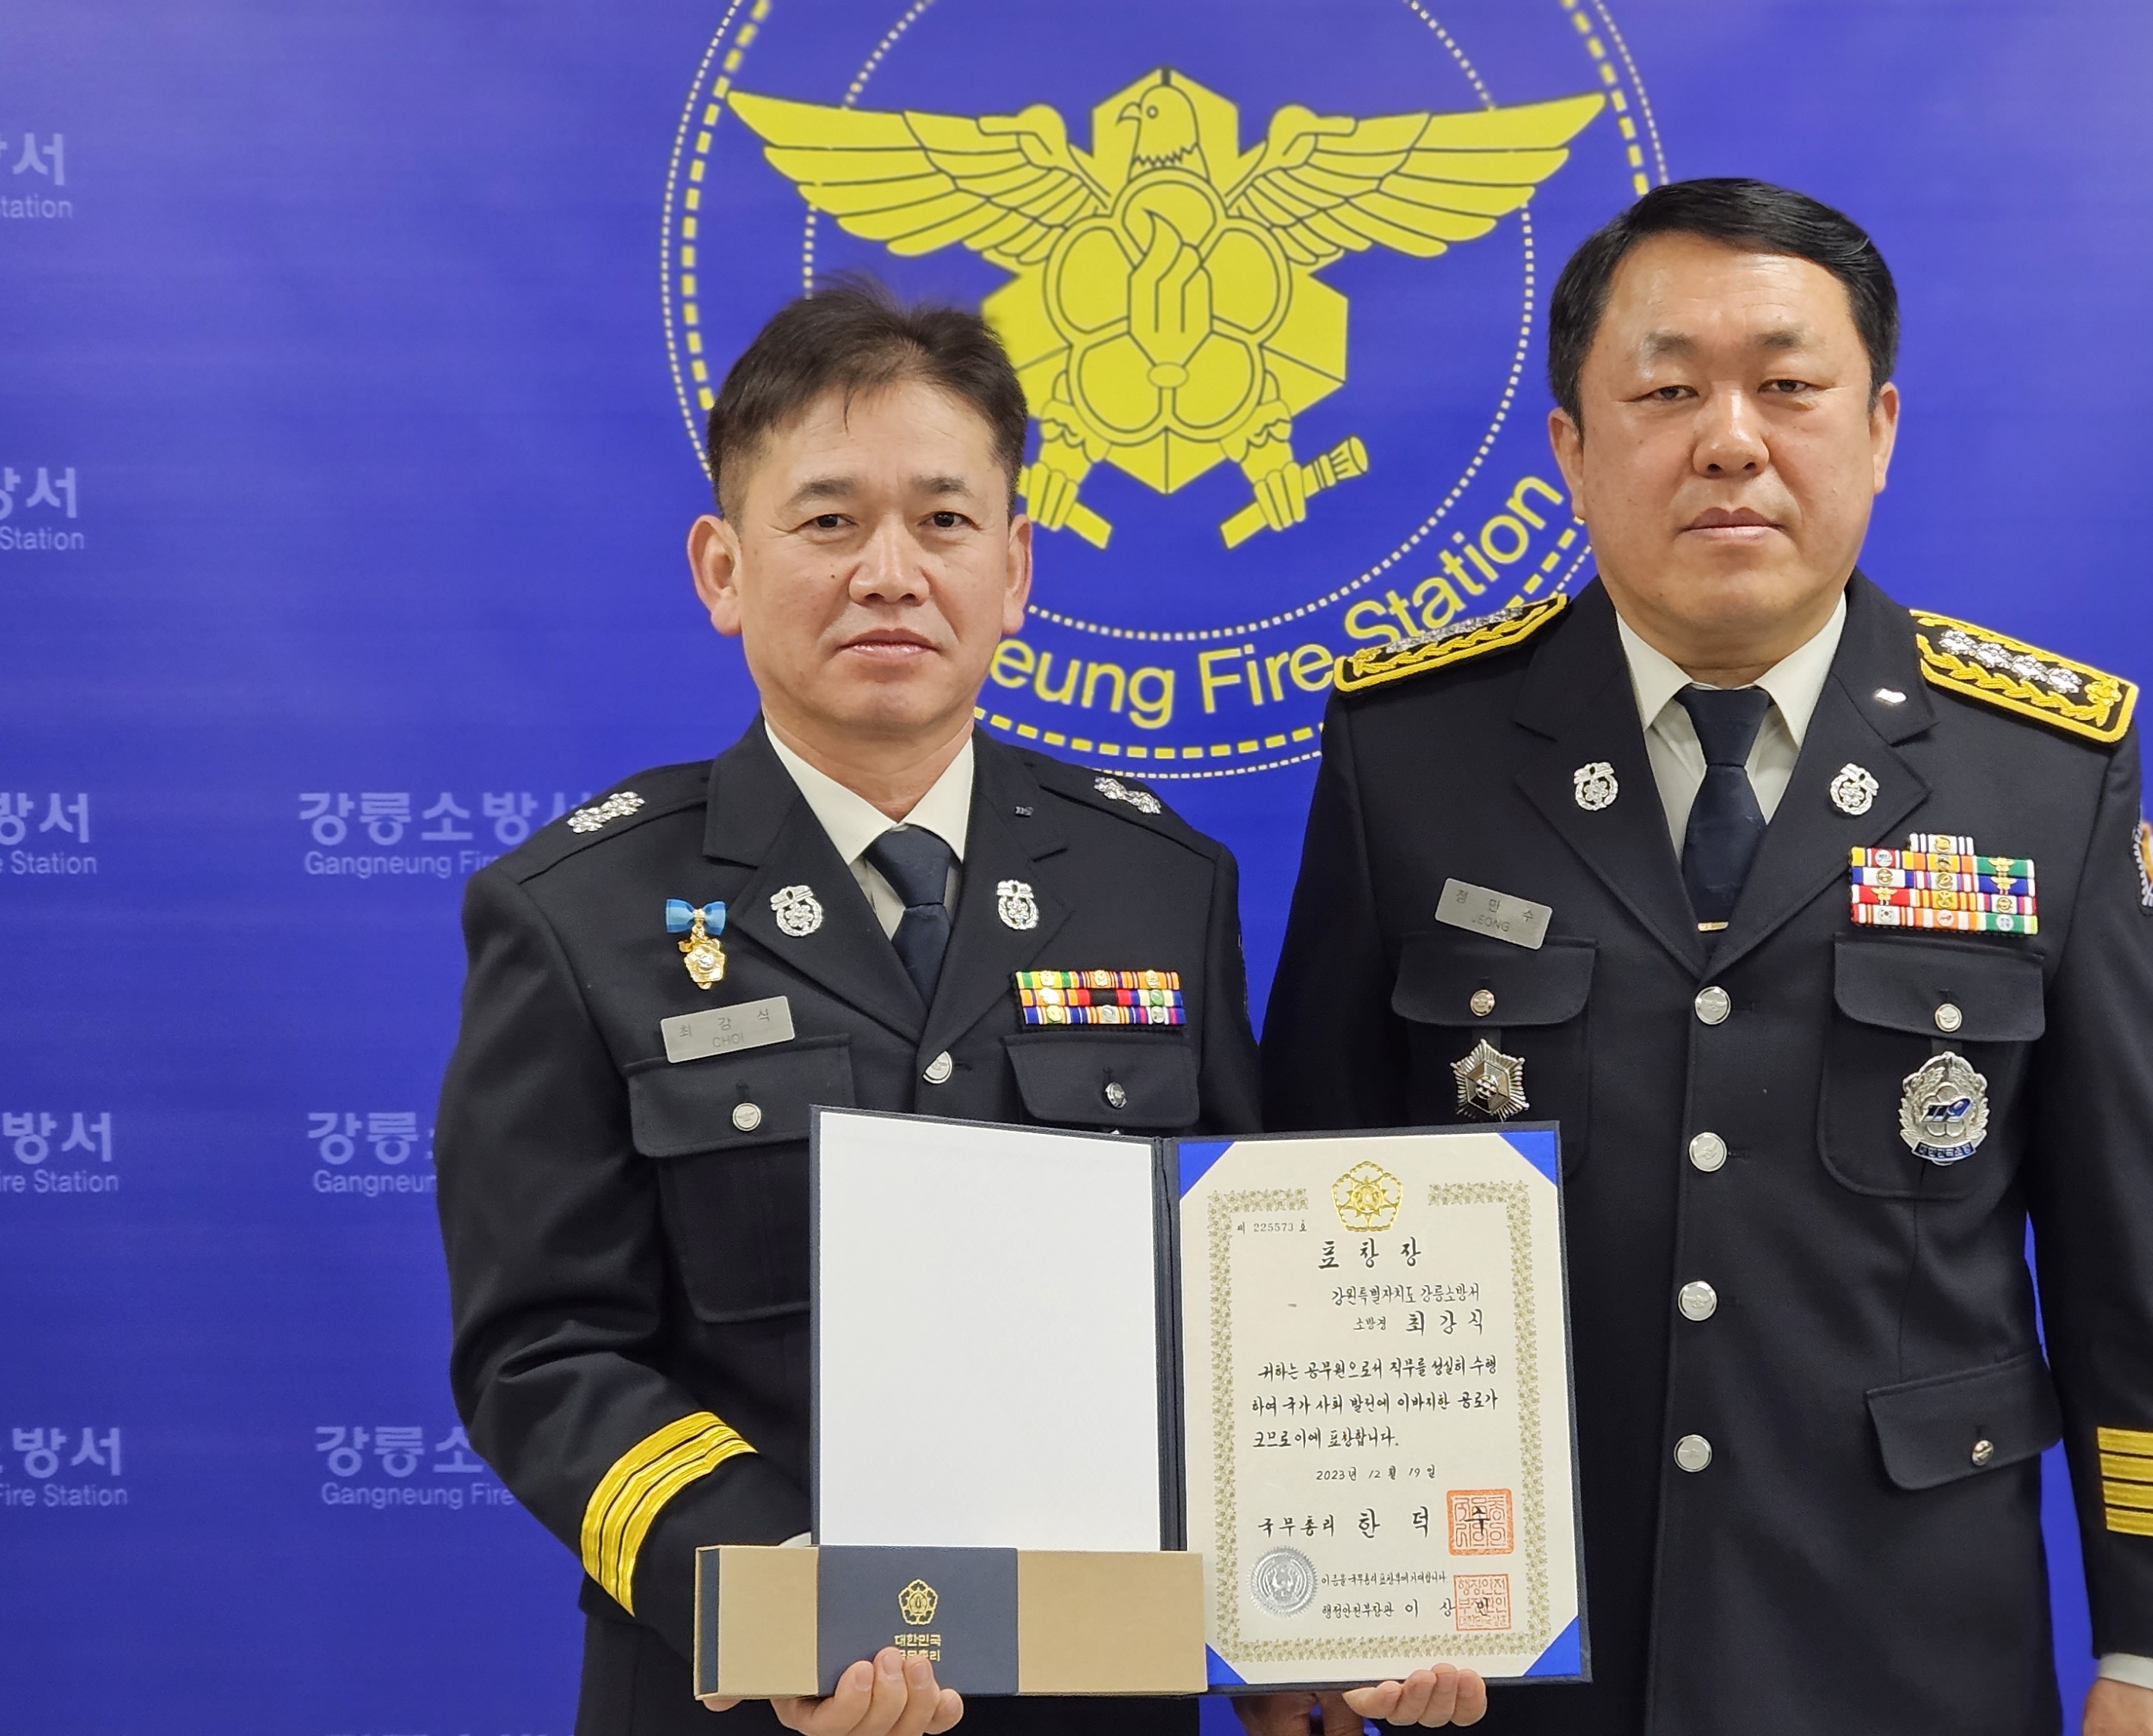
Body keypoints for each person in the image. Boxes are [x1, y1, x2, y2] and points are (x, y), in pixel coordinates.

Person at [1261, 180, 2153, 1734]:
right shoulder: (1412, 756)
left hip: (1903, 1647)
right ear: (1570, 447)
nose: (1731, 440)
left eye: (1788, 386)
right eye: (1666, 392)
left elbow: (2135, 1252)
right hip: (1508, 1661)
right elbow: (1306, 1201)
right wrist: (1293, 1619)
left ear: (1879, 428)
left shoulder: (2041, 775)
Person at [435, 284, 1481, 1736]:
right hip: (745, 1689)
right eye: (827, 522)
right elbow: (541, 1351)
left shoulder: (1159, 884)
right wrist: (782, 1594)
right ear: (723, 568)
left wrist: (1315, 1617)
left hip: (1091, 1697)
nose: (890, 573)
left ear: (1015, 567)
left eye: (942, 520)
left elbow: (1248, 1301)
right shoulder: (577, 912)